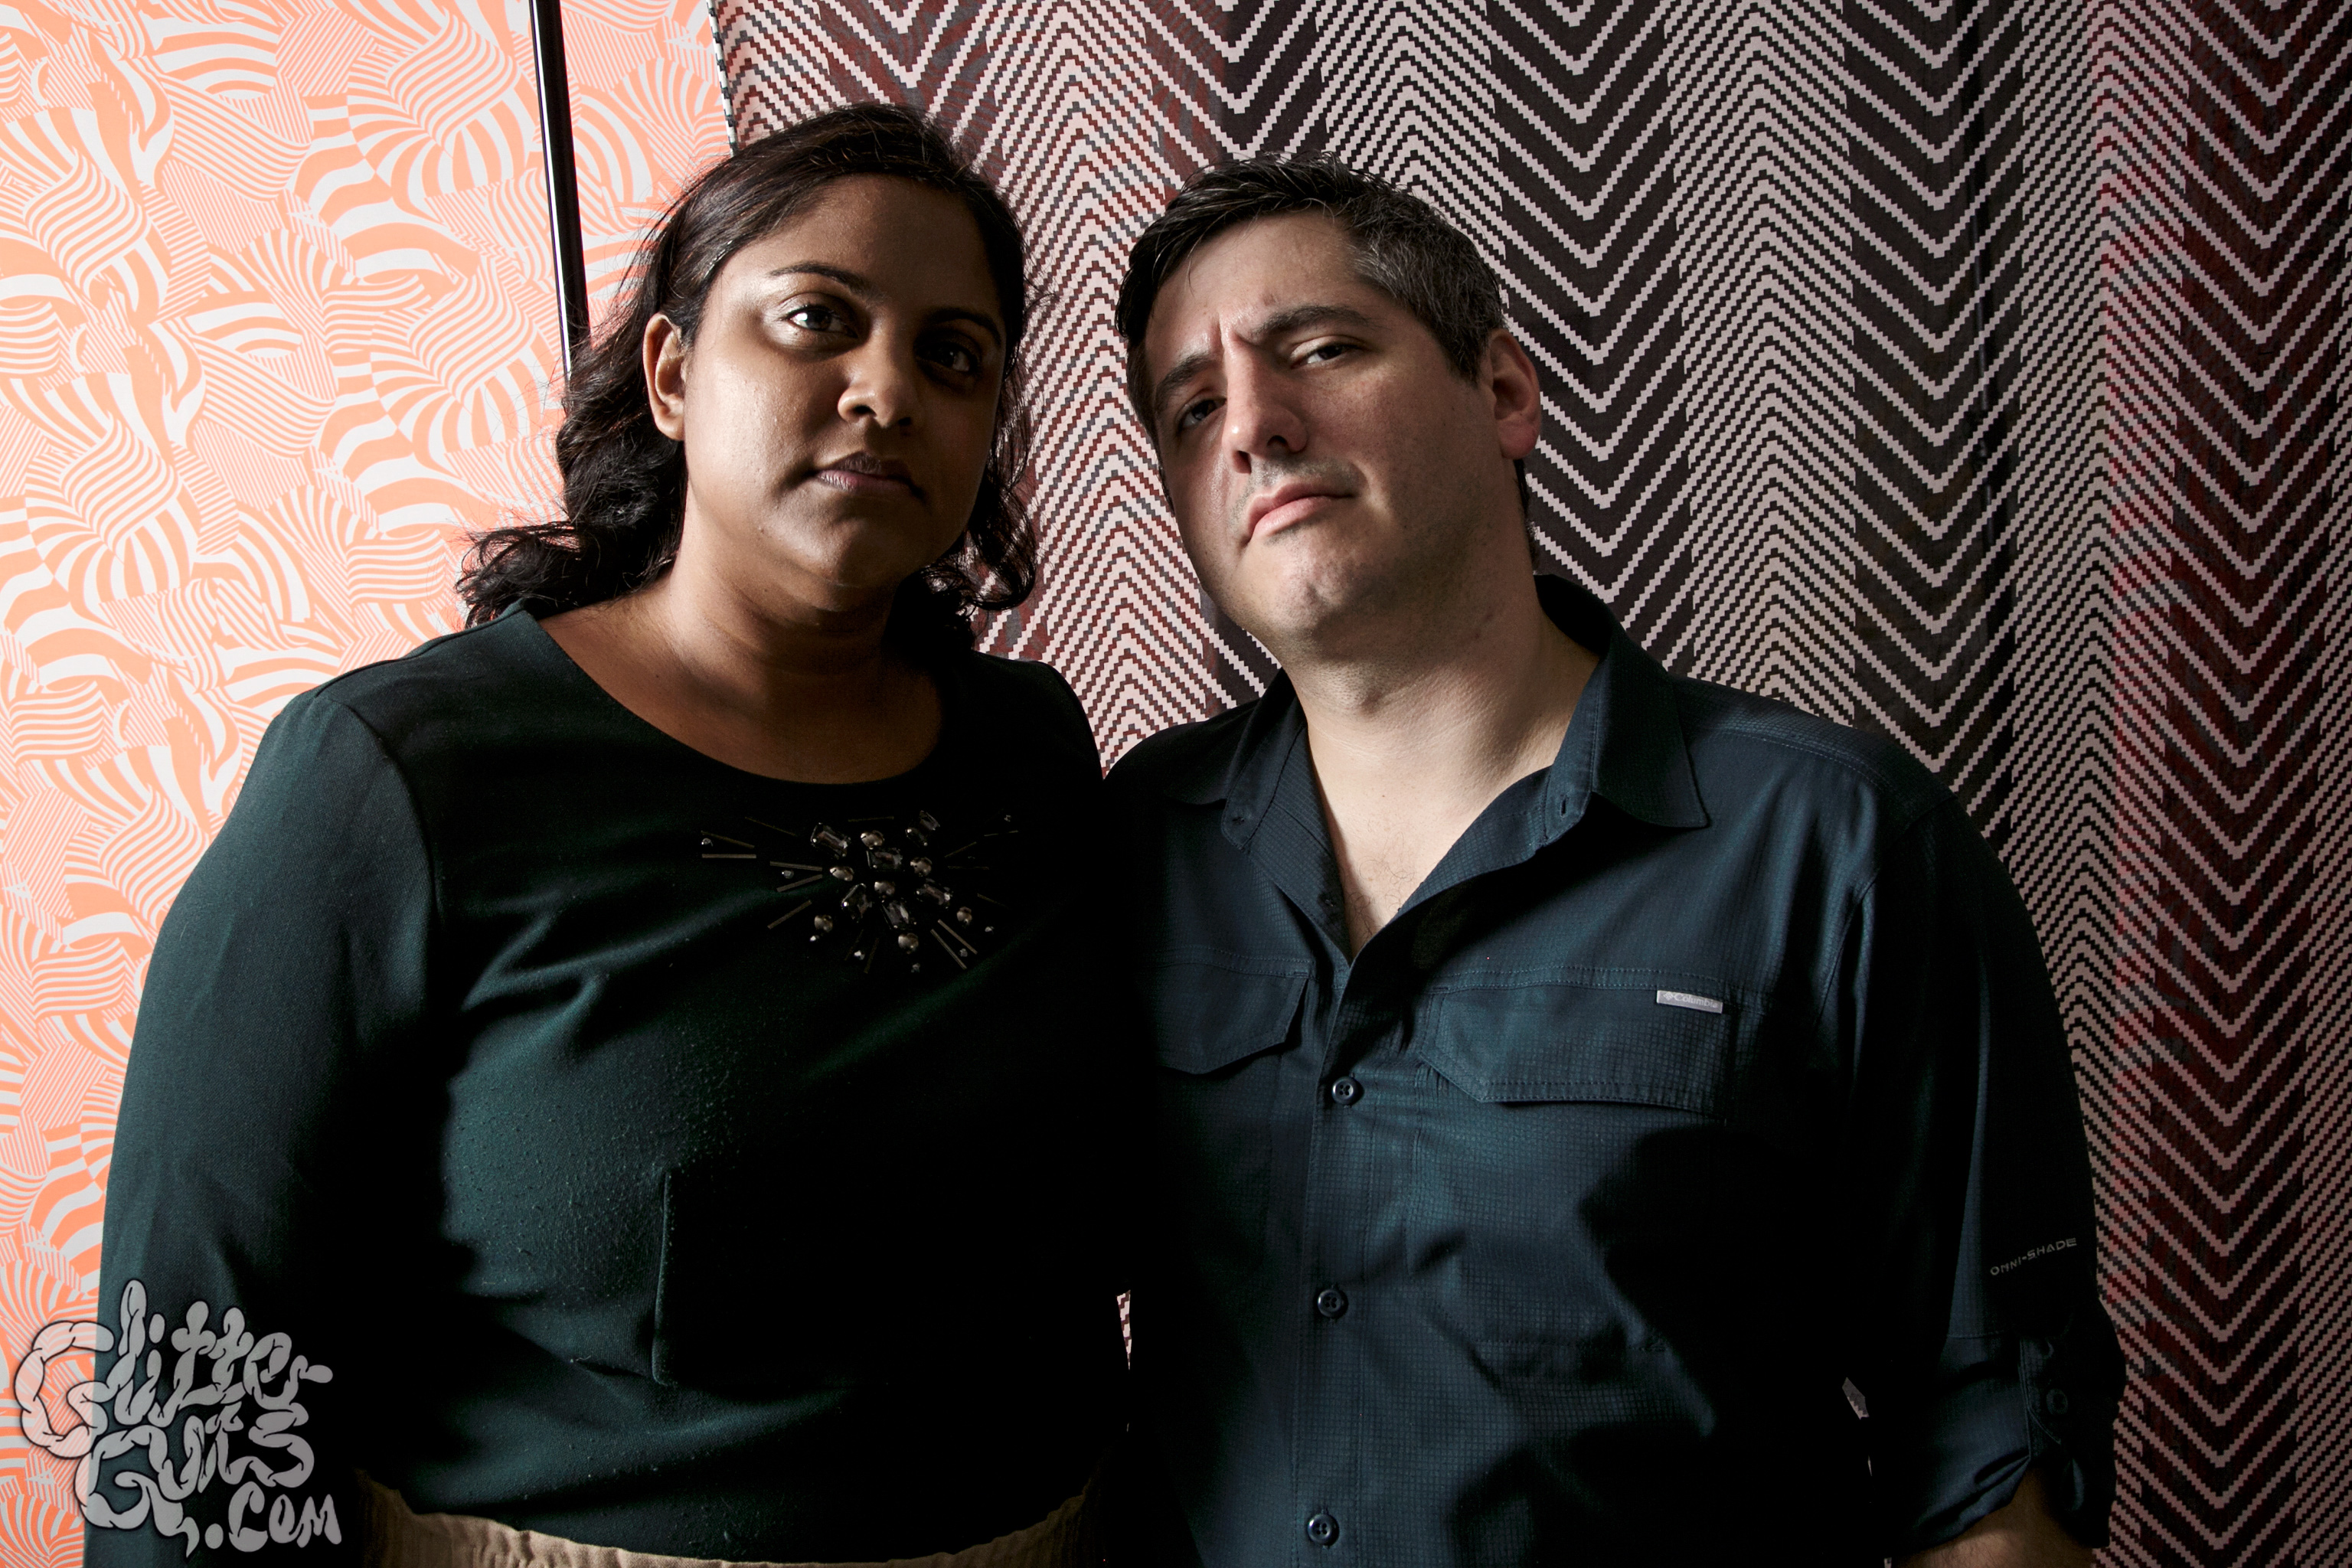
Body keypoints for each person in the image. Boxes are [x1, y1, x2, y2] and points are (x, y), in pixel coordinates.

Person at [83, 105, 1125, 1568]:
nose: (887, 388)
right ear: (676, 373)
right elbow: (193, 1351)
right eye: (819, 319)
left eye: (954, 356)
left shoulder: (1035, 752)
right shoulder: (402, 774)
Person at [1106, 158, 2124, 1566]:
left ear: (1505, 393)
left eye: (1321, 350)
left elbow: (1990, 1449)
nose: (1253, 428)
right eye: (1191, 408)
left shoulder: (1836, 847)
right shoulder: (1133, 843)